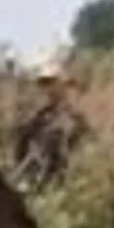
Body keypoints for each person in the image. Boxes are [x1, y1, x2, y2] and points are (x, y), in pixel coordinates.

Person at [11, 60, 93, 188]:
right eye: (44, 84)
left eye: (51, 83)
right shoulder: (38, 116)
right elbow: (22, 148)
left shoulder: (76, 116)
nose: (48, 89)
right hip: (36, 181)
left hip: (64, 182)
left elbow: (85, 148)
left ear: (63, 85)